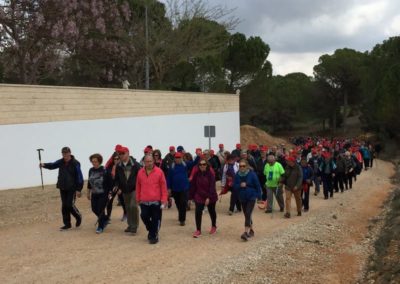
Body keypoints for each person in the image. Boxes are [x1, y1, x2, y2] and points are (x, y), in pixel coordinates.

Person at [40, 146, 83, 230]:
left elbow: (79, 177)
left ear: (70, 153)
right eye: (63, 153)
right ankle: (67, 224)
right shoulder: (61, 162)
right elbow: (52, 165)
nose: (65, 155)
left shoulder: (76, 163)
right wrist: (44, 165)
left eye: (66, 153)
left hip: (72, 188)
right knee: (64, 206)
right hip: (62, 187)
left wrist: (79, 189)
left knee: (69, 205)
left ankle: (78, 216)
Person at [136, 154, 168, 244]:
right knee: (143, 216)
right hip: (144, 201)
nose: (149, 163)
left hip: (156, 202)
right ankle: (152, 230)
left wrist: (164, 200)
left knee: (155, 219)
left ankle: (153, 236)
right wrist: (137, 198)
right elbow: (138, 186)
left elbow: (163, 187)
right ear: (144, 162)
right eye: (147, 161)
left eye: (150, 161)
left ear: (153, 161)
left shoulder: (159, 172)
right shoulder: (140, 172)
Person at [114, 146, 142, 234]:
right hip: (124, 190)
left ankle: (134, 226)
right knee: (128, 207)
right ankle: (130, 225)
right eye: (120, 154)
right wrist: (117, 187)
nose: (121, 155)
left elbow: (141, 177)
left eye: (123, 153)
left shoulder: (136, 165)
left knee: (133, 206)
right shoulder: (118, 166)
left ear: (128, 153)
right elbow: (117, 179)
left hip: (135, 189)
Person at [233, 159, 262, 241]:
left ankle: (246, 232)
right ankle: (251, 230)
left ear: (247, 166)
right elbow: (234, 186)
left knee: (248, 213)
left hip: (251, 196)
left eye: (243, 166)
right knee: (247, 214)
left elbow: (257, 185)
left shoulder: (252, 174)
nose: (242, 167)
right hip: (242, 197)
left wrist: (259, 197)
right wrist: (239, 185)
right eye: (240, 166)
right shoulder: (237, 175)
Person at [189, 158, 218, 238]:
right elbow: (193, 186)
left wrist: (208, 197)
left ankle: (214, 226)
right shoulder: (196, 174)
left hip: (210, 195)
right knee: (198, 212)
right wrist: (191, 197)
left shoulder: (210, 174)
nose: (202, 166)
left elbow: (212, 187)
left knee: (211, 211)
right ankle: (198, 230)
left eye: (204, 164)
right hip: (199, 195)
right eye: (200, 164)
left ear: (207, 165)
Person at [87, 153, 113, 234]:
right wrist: (88, 192)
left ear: (99, 161)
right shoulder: (91, 170)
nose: (94, 163)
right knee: (94, 209)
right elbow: (89, 182)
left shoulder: (105, 170)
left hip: (103, 194)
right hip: (94, 193)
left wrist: (110, 192)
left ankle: (100, 226)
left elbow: (110, 183)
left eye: (95, 161)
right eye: (92, 161)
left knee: (100, 209)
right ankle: (105, 218)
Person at [167, 152, 191, 226]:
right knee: (178, 203)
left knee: (183, 203)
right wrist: (169, 188)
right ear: (174, 158)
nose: (178, 159)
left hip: (184, 188)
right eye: (176, 158)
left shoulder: (185, 165)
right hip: (175, 189)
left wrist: (199, 156)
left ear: (181, 158)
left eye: (179, 157)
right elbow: (169, 178)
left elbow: (194, 163)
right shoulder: (172, 167)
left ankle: (182, 220)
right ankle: (181, 214)